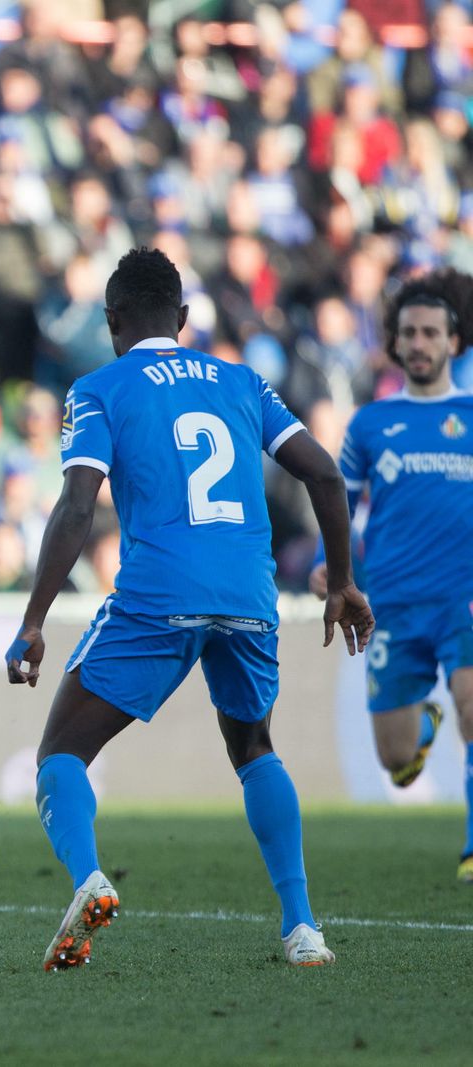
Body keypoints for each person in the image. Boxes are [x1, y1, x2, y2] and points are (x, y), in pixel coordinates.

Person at [5, 248, 373, 970]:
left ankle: (88, 880)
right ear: (181, 318)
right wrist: (342, 583)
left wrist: (34, 620)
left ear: (112, 321)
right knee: (254, 748)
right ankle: (302, 929)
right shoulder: (242, 382)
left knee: (60, 755)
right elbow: (325, 474)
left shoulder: (99, 388)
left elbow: (79, 504)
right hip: (247, 593)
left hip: (159, 594)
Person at [312, 269, 473, 884]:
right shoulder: (370, 426)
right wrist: (334, 566)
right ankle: (421, 726)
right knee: (396, 759)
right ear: (395, 342)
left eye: (432, 332)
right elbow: (341, 505)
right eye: (409, 332)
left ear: (454, 341)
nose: (419, 343)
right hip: (393, 605)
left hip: (464, 598)